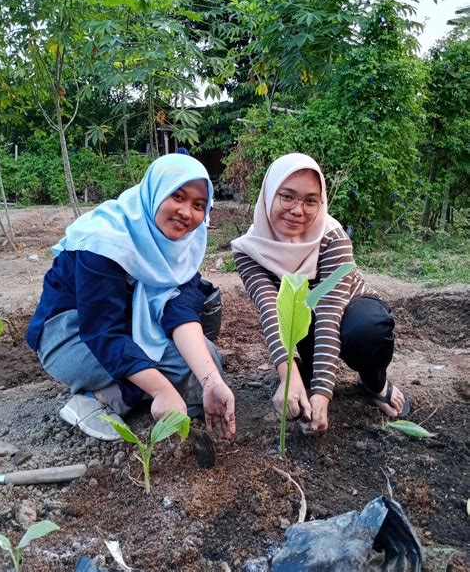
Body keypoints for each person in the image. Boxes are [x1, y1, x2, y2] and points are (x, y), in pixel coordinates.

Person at [26, 154, 235, 441]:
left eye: (198, 205)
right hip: (74, 334)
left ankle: (121, 392)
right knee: (175, 379)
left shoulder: (184, 244)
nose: (187, 212)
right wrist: (161, 389)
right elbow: (102, 332)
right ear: (155, 191)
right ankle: (104, 396)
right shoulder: (105, 240)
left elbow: (180, 309)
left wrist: (210, 380)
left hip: (137, 329)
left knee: (208, 368)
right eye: (177, 196)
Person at [231, 153, 409, 435]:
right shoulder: (249, 250)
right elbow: (270, 308)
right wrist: (288, 378)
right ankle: (302, 376)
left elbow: (328, 310)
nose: (298, 210)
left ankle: (374, 383)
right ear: (268, 195)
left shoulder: (332, 237)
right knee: (298, 396)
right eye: (287, 197)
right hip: (302, 324)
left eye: (310, 200)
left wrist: (323, 392)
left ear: (321, 202)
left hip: (349, 310)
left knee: (368, 330)